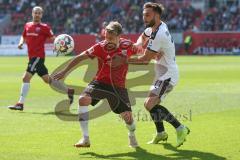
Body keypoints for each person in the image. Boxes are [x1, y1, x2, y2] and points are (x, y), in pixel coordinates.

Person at [53, 21, 138, 148]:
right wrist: (64, 71)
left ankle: (131, 134)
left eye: (111, 38)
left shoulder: (128, 46)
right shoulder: (100, 47)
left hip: (118, 87)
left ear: (119, 36)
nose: (107, 41)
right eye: (105, 37)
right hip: (100, 83)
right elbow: (80, 57)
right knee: (83, 100)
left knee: (128, 119)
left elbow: (142, 56)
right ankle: (85, 138)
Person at [127, 2, 190, 147]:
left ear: (157, 15)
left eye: (148, 15)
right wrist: (138, 45)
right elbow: (142, 38)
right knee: (149, 105)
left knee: (150, 104)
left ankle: (181, 128)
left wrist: (124, 61)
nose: (144, 18)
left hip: (168, 75)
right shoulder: (155, 28)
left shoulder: (159, 34)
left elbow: (144, 60)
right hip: (161, 73)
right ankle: (161, 133)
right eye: (143, 15)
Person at [8, 6, 74, 111]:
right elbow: (23, 36)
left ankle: (20, 104)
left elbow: (54, 39)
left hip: (38, 57)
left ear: (42, 15)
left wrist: (60, 46)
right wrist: (21, 43)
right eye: (36, 12)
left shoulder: (45, 27)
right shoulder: (27, 25)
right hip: (32, 57)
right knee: (48, 80)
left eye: (39, 13)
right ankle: (68, 90)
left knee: (25, 78)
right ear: (32, 14)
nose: (37, 14)